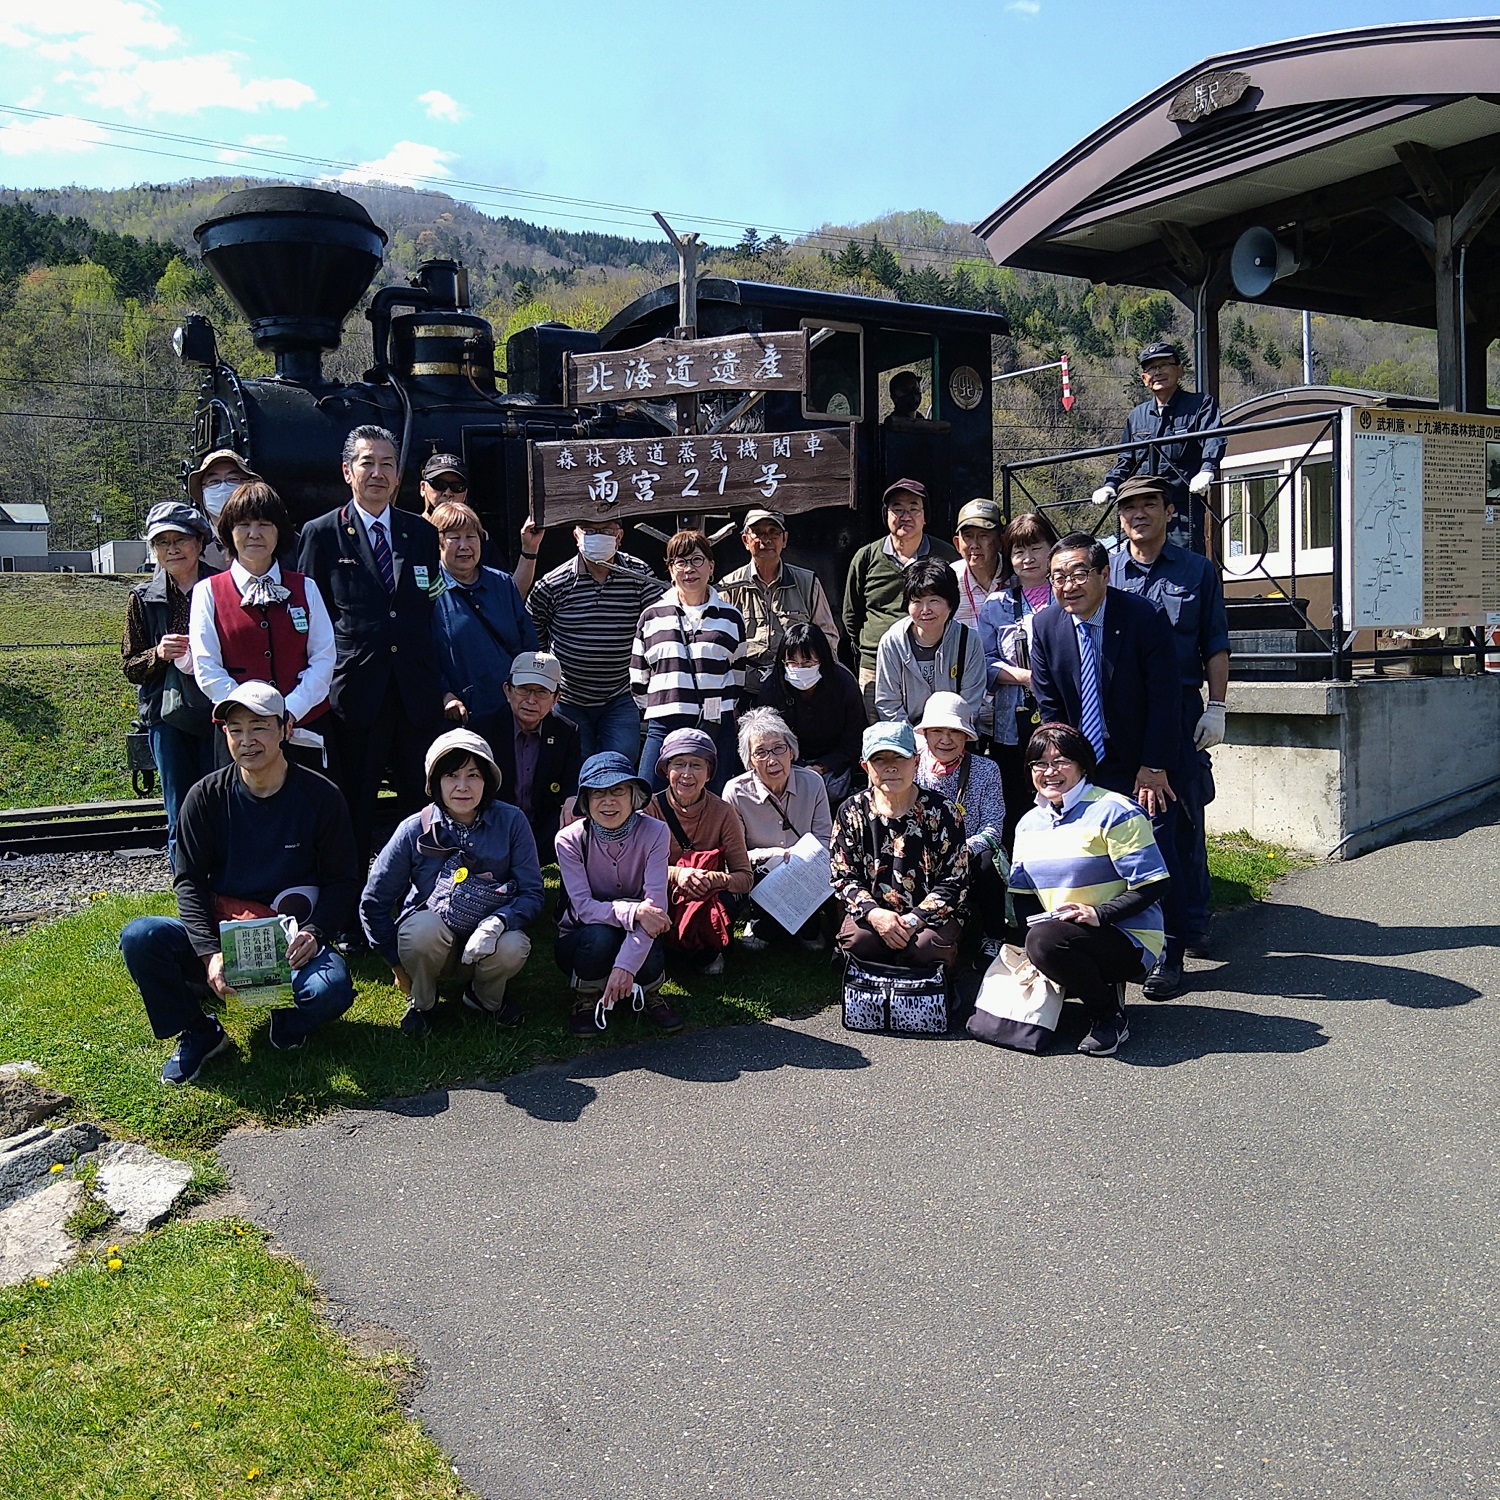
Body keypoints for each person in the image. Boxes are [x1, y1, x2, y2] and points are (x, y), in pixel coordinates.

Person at [118, 682, 358, 1086]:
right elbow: (189, 881)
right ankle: (200, 1031)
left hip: (289, 937)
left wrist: (316, 933)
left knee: (330, 989)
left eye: (259, 727)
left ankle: (287, 1019)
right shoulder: (204, 797)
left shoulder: (321, 796)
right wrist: (210, 953)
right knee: (141, 937)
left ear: (284, 729)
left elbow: (343, 880)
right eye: (235, 729)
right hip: (223, 926)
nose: (246, 740)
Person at [296, 425, 446, 869]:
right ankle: (351, 911)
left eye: (387, 464)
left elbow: (432, 603)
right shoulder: (321, 534)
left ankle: (421, 905)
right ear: (348, 471)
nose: (377, 473)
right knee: (355, 807)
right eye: (367, 463)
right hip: (357, 693)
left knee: (418, 808)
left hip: (414, 695)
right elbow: (309, 618)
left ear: (398, 478)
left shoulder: (419, 533)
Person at [1109, 473, 1231, 998]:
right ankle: (1131, 933)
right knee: (1120, 831)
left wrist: (1220, 706)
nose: (1138, 514)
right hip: (1117, 715)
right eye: (1129, 506)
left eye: (1149, 505)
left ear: (1169, 512)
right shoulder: (1104, 568)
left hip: (1178, 712)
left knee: (1176, 827)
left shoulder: (1197, 571)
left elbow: (1215, 643)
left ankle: (1177, 940)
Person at [360, 728, 543, 1038]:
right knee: (422, 932)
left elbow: (533, 893)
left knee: (514, 946)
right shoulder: (411, 830)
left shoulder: (512, 821)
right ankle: (423, 1002)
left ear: (487, 781)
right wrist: (396, 964)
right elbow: (374, 901)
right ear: (435, 783)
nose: (462, 786)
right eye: (451, 775)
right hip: (431, 946)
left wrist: (499, 922)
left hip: (487, 944)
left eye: (473, 775)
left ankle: (485, 998)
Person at [1008, 722, 1170, 1058]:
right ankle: (1082, 979)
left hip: (1128, 935)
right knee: (1037, 941)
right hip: (1065, 935)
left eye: (1061, 761)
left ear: (1083, 764)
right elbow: (1022, 895)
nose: (1049, 772)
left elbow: (1154, 883)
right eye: (1040, 763)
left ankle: (1107, 1014)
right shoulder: (1028, 823)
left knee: (1045, 941)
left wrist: (1099, 914)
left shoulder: (1115, 810)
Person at [1028, 533, 1180, 817]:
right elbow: (1050, 705)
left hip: (1139, 758)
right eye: (1058, 578)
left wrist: (1154, 765)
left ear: (1105, 574)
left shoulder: (1144, 617)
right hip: (1079, 760)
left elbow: (1166, 697)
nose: (1068, 586)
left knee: (1149, 847)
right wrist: (1062, 766)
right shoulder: (1045, 626)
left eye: (1079, 574)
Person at [189, 480, 335, 772]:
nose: (254, 534)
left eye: (264, 524)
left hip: (302, 727)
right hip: (239, 738)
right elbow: (206, 666)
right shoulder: (208, 591)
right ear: (230, 532)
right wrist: (251, 716)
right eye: (243, 524)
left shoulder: (306, 588)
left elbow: (324, 657)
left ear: (278, 531)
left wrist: (290, 710)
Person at [122, 502, 221, 870]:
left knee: (220, 802)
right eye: (162, 542)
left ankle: (226, 888)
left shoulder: (222, 586)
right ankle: (188, 888)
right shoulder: (143, 598)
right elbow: (130, 667)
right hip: (167, 719)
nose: (171, 549)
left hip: (218, 714)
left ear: (199, 542)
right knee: (179, 808)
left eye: (180, 540)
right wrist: (158, 654)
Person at [830, 720, 968, 974]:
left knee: (926, 947)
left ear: (916, 762)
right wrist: (874, 914)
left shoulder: (944, 811)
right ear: (865, 766)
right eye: (880, 759)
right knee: (858, 941)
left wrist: (913, 919)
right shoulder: (850, 811)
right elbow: (842, 876)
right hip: (874, 913)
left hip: (929, 918)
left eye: (900, 757)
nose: (891, 767)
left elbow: (954, 881)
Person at [555, 750, 677, 1037]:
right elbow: (584, 908)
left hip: (638, 931)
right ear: (585, 801)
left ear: (633, 796)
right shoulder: (568, 840)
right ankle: (585, 995)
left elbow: (656, 907)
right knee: (601, 934)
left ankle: (648, 991)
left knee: (651, 926)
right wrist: (635, 911)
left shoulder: (657, 832)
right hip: (583, 934)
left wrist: (624, 966)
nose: (608, 801)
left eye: (618, 791)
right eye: (598, 793)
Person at [526, 517, 665, 760]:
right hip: (569, 698)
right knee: (574, 768)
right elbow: (531, 627)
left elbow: (660, 624)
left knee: (621, 764)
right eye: (589, 530)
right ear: (576, 536)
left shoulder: (640, 576)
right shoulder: (553, 583)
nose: (597, 535)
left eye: (605, 530)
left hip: (621, 696)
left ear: (619, 536)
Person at [630, 529, 747, 793]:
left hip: (716, 724)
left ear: (711, 566)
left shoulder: (731, 617)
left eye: (696, 560)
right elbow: (638, 679)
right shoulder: (651, 616)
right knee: (649, 797)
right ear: (670, 569)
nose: (689, 569)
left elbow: (737, 674)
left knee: (716, 798)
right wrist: (667, 702)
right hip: (664, 722)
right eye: (680, 562)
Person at [1094, 341, 1225, 554]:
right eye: (1151, 368)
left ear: (1179, 370)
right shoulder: (1137, 416)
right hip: (1143, 509)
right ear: (1144, 378)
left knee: (1184, 565)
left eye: (1164, 364)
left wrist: (1207, 469)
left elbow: (1213, 438)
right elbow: (1126, 460)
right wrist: (1110, 484)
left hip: (1182, 507)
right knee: (1143, 564)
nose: (1158, 372)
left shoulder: (1200, 405)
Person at [644, 727, 754, 977]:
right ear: (665, 770)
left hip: (707, 898)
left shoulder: (724, 812)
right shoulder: (649, 809)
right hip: (664, 895)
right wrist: (678, 875)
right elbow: (636, 870)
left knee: (729, 899)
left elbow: (745, 878)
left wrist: (711, 879)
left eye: (696, 765)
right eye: (679, 764)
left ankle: (706, 950)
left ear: (708, 773)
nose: (686, 774)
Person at [978, 509, 1060, 847]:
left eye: (1035, 548)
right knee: (1015, 799)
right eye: (1018, 551)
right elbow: (984, 662)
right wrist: (1027, 677)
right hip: (1009, 723)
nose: (1027, 559)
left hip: (1061, 718)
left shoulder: (1067, 598)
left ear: (1051, 549)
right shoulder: (996, 604)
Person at [843, 478, 959, 715]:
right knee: (882, 740)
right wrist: (872, 644)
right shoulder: (866, 557)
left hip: (934, 663)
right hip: (875, 667)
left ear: (925, 516)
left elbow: (955, 606)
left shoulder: (945, 556)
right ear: (886, 514)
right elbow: (851, 615)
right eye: (897, 508)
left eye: (913, 508)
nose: (905, 515)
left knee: (932, 734)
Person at [723, 708, 833, 952]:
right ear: (749, 760)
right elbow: (735, 855)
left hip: (807, 870)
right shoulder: (735, 792)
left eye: (778, 748)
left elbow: (825, 838)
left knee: (811, 938)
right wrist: (772, 855)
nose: (771, 760)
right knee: (764, 933)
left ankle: (808, 926)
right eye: (760, 752)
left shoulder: (813, 783)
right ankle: (760, 923)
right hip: (762, 872)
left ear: (791, 751)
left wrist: (800, 857)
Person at [429, 499, 538, 747]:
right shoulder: (427, 590)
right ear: (437, 542)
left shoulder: (502, 584)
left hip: (510, 712)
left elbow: (526, 643)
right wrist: (443, 694)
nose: (464, 546)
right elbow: (421, 655)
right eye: (454, 537)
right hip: (460, 717)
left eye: (471, 536)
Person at [912, 692, 1007, 960]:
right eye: (937, 731)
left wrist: (960, 850)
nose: (945, 739)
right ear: (926, 734)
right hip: (921, 853)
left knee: (989, 863)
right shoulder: (913, 766)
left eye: (954, 731)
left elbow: (992, 828)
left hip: (970, 853)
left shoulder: (987, 770)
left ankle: (994, 937)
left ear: (966, 736)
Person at [717, 508, 840, 693]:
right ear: (745, 540)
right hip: (745, 688)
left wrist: (811, 679)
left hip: (797, 685)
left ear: (785, 540)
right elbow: (719, 645)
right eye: (758, 533)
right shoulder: (728, 586)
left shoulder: (807, 583)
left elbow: (828, 638)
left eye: (774, 532)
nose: (766, 540)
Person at [756, 622, 866, 806]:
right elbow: (764, 738)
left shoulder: (844, 684)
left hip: (832, 763)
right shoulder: (773, 687)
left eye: (807, 662)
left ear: (821, 660)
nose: (800, 669)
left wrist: (821, 767)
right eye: (792, 663)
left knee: (825, 790)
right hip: (788, 761)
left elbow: (854, 741)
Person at [491, 650, 581, 864]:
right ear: (507, 691)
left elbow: (571, 780)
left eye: (541, 692)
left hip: (542, 827)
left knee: (581, 822)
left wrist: (571, 798)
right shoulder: (484, 730)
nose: (531, 700)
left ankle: (572, 897)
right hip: (492, 825)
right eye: (523, 689)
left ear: (556, 698)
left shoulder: (567, 731)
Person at [873, 558, 986, 727]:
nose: (925, 610)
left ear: (951, 603)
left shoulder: (969, 640)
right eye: (916, 601)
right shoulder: (892, 642)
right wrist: (916, 741)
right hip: (907, 739)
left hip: (955, 734)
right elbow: (888, 704)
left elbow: (971, 703)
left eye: (934, 600)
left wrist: (944, 738)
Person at [185, 448, 260, 564]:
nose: (223, 487)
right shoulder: (189, 546)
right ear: (202, 490)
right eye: (214, 481)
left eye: (233, 479)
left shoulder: (276, 540)